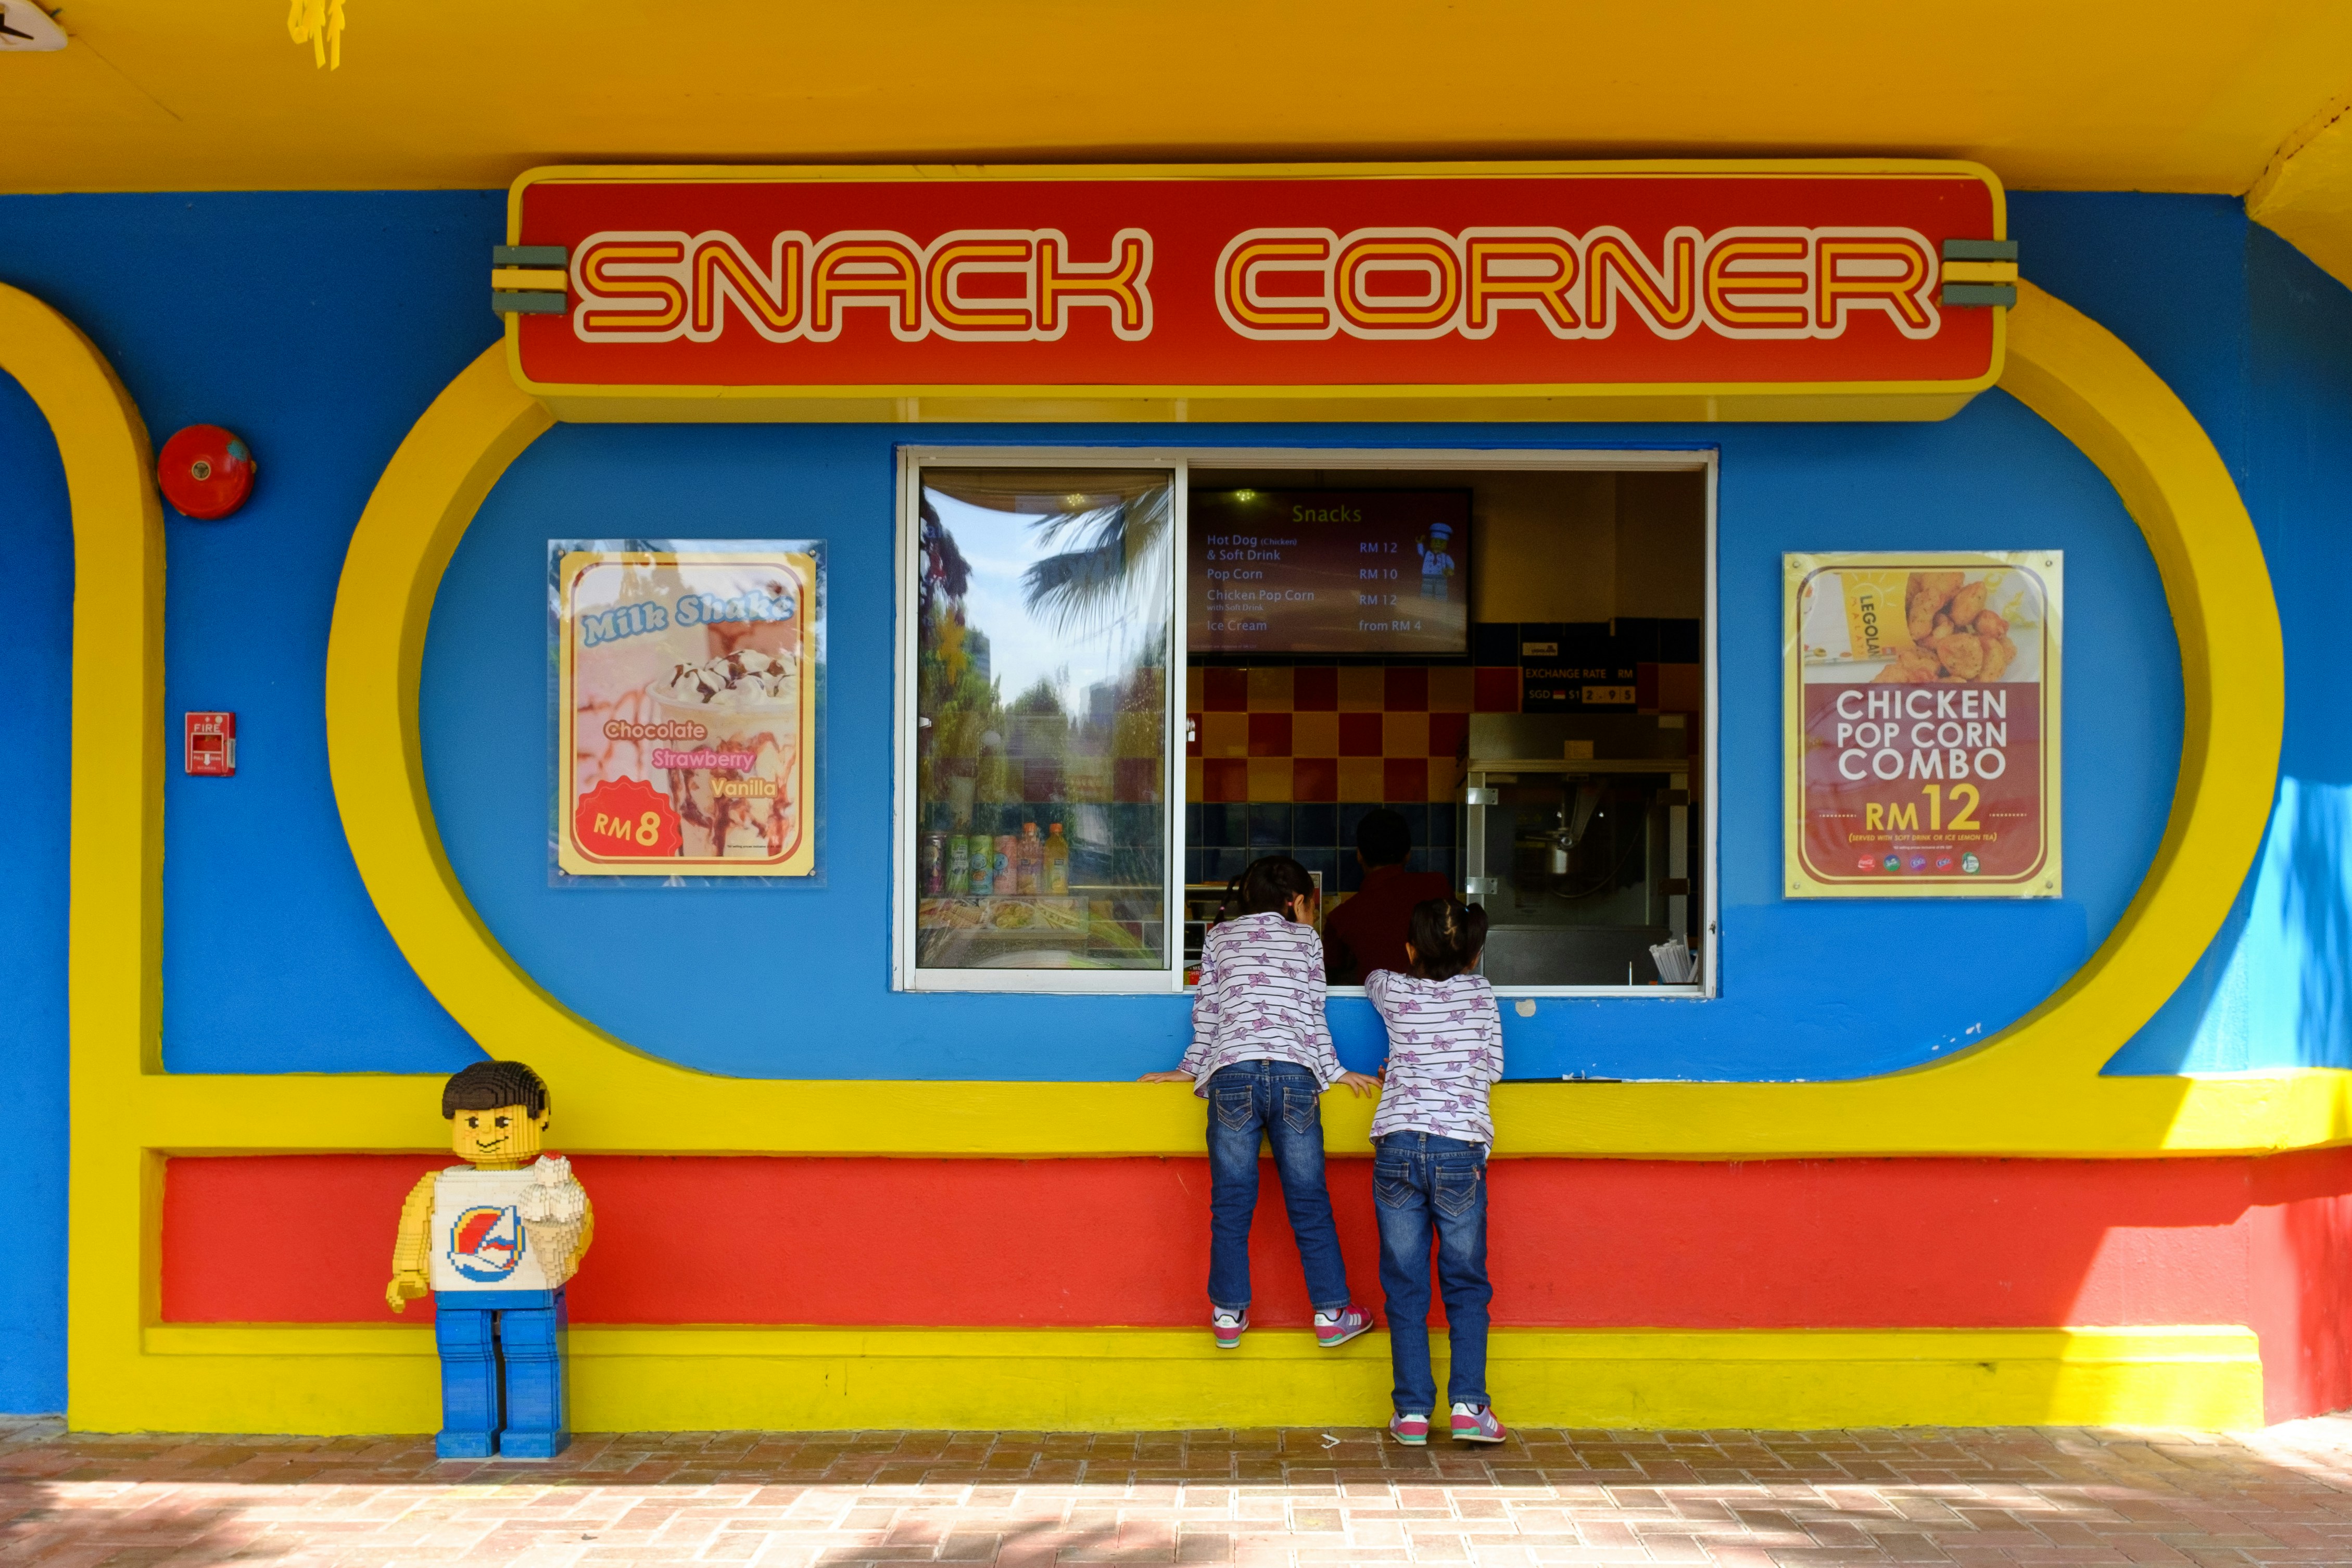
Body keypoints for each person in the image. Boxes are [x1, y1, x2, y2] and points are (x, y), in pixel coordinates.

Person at [1140, 855, 1381, 1349]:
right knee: (1310, 1199)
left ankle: (1228, 1315)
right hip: (1294, 1077)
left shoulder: (1219, 937)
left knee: (1231, 1202)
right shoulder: (1306, 939)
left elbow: (1206, 1013)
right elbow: (1314, 1013)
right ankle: (1332, 1312)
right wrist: (1336, 1072)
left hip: (1231, 1075)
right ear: (1295, 902)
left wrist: (1187, 1069)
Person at [386, 1060, 594, 1459]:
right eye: (472, 1122)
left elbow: (579, 1224)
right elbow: (416, 1229)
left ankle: (535, 1428)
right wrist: (408, 1273)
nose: (486, 1135)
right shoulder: (438, 1185)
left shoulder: (550, 1183)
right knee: (461, 1351)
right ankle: (468, 1428)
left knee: (533, 1350)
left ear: (541, 1117)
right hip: (459, 1290)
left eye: (502, 1123)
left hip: (531, 1289)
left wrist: (568, 1253)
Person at [1366, 896, 1507, 1446]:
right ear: (1474, 956)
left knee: (1406, 1285)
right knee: (1466, 1283)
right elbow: (1493, 1068)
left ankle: (1412, 1414)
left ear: (1409, 950)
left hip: (1399, 1145)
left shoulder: (1394, 989)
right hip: (1459, 1150)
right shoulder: (1481, 993)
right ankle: (1470, 1407)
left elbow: (1375, 977)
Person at [1323, 807, 1453, 985]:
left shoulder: (1341, 918)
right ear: (1408, 854)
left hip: (1372, 1011)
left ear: (1359, 855)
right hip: (1445, 1008)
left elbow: (1330, 979)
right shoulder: (1438, 886)